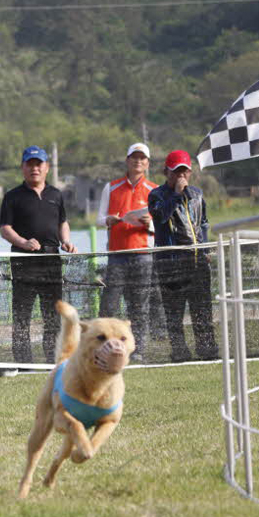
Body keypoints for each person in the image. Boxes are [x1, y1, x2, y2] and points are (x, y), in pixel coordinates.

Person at [0, 145, 74, 363]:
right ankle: (23, 360)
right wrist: (22, 242)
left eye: (38, 164)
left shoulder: (56, 194)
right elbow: (5, 229)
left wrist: (66, 241)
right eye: (30, 164)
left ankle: (53, 357)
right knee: (22, 313)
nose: (34, 168)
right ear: (23, 167)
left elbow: (63, 222)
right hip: (23, 262)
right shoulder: (12, 196)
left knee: (53, 314)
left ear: (47, 167)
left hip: (52, 260)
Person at [148, 150, 218, 362]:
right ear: (166, 172)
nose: (181, 176)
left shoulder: (197, 194)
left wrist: (204, 249)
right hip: (170, 263)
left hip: (196, 261)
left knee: (202, 309)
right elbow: (160, 217)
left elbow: (203, 223)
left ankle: (207, 350)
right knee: (174, 313)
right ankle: (179, 352)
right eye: (176, 172)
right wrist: (177, 195)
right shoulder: (156, 195)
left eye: (184, 172)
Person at [96, 142, 157, 360]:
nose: (138, 161)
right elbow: (98, 219)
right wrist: (109, 220)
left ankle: (138, 351)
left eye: (142, 158)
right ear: (127, 160)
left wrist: (149, 223)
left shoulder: (154, 190)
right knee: (109, 305)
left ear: (147, 163)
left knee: (139, 305)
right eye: (134, 157)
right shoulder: (111, 187)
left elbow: (159, 226)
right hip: (117, 255)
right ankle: (104, 349)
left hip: (143, 255)